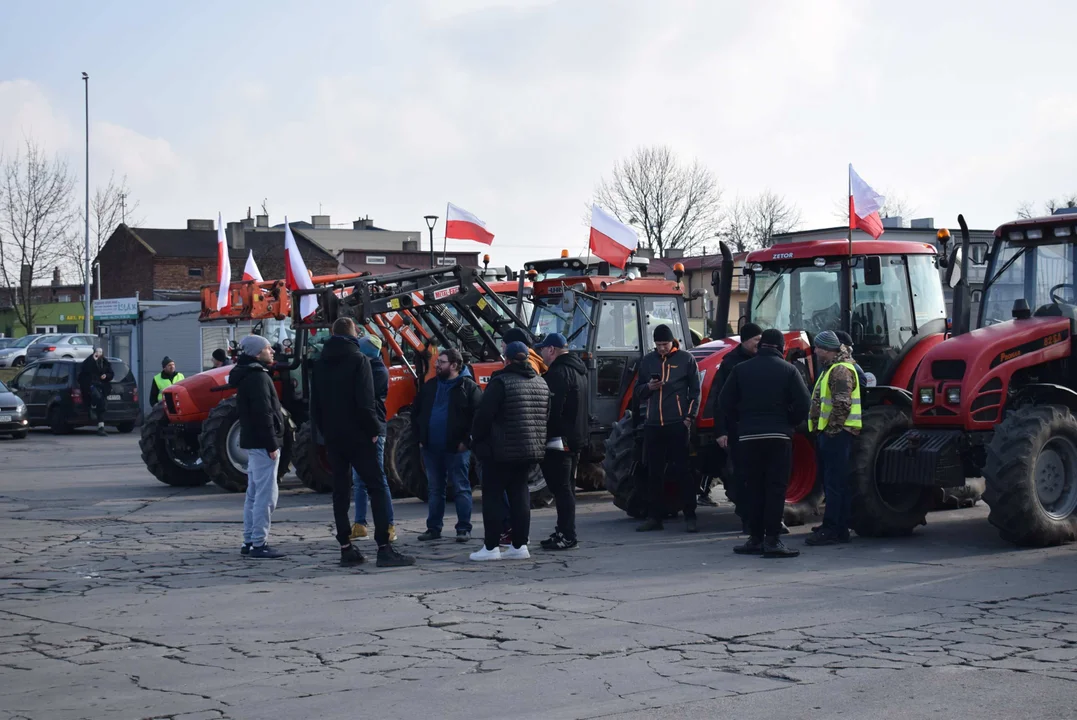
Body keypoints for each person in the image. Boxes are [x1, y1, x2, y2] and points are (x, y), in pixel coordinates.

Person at [311, 317, 414, 568]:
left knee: (341, 491)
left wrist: (324, 434)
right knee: (377, 486)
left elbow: (316, 405)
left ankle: (346, 548)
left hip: (334, 437)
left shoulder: (320, 363)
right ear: (354, 333)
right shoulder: (359, 360)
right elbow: (365, 402)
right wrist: (374, 429)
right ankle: (384, 548)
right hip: (359, 435)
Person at [719, 329, 811, 558]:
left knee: (754, 488)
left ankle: (755, 538)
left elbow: (724, 401)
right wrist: (788, 423)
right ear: (781, 347)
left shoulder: (740, 370)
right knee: (775, 489)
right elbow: (804, 404)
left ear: (761, 346)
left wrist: (741, 422)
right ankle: (772, 540)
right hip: (779, 438)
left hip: (748, 438)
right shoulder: (789, 371)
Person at [469, 340, 549, 561]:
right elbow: (545, 417)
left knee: (493, 498)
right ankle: (520, 546)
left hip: (499, 451)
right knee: (520, 497)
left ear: (506, 359)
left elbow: (483, 417)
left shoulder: (501, 382)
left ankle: (491, 547)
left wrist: (476, 441)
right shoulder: (541, 383)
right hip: (528, 451)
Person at [635, 325, 701, 533]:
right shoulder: (647, 361)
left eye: (665, 344)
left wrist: (688, 418)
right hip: (653, 425)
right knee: (654, 473)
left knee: (683, 471)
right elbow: (638, 391)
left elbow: (695, 391)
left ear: (673, 342)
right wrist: (648, 388)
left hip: (677, 424)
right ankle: (654, 517)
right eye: (658, 345)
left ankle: (690, 516)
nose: (662, 348)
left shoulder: (686, 360)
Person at [414, 347, 483, 543]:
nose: (436, 365)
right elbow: (416, 412)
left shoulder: (468, 387)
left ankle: (463, 529)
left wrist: (466, 442)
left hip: (456, 449)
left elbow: (478, 417)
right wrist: (420, 438)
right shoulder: (430, 386)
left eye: (441, 362)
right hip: (431, 448)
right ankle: (433, 528)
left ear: (454, 365)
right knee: (435, 489)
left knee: (461, 488)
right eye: (437, 361)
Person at [231, 335, 286, 559]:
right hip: (263, 445)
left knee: (253, 494)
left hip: (253, 443)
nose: (272, 351)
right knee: (266, 496)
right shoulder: (259, 378)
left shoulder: (247, 375)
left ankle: (249, 540)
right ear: (256, 353)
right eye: (267, 348)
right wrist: (272, 443)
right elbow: (264, 413)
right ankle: (259, 543)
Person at [806, 330, 862, 547]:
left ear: (827, 349)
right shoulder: (832, 368)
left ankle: (834, 529)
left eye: (818, 347)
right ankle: (836, 526)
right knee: (833, 482)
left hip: (838, 435)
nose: (815, 350)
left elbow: (841, 404)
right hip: (834, 433)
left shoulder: (840, 370)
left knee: (835, 483)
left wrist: (832, 430)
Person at [535, 332, 589, 551]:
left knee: (562, 490)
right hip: (575, 438)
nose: (539, 354)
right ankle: (563, 531)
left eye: (541, 350)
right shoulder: (580, 371)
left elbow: (552, 411)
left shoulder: (558, 374)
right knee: (567, 489)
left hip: (560, 441)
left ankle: (567, 534)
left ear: (551, 350)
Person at [708, 323, 762, 512]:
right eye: (756, 339)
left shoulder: (764, 358)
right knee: (740, 470)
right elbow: (719, 399)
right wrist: (721, 431)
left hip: (758, 424)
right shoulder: (730, 363)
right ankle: (745, 511)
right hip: (737, 426)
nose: (760, 343)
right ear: (746, 340)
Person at [350, 335, 397, 543]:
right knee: (358, 480)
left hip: (375, 430)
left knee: (378, 479)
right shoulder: (365, 368)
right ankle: (360, 524)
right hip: (361, 430)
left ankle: (388, 525)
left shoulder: (378, 372)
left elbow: (366, 399)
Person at [78, 347, 114, 436]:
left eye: (100, 352)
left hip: (102, 387)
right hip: (92, 386)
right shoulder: (88, 362)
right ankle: (92, 406)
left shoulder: (105, 362)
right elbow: (84, 371)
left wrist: (106, 375)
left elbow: (111, 373)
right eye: (97, 352)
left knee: (102, 406)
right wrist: (92, 360)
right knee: (97, 398)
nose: (99, 353)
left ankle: (101, 427)